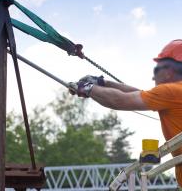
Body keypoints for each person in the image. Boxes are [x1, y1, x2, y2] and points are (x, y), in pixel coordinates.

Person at [69, 39, 182, 187]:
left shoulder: (172, 91)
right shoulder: (174, 93)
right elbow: (140, 94)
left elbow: (120, 100)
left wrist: (89, 88)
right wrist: (104, 84)